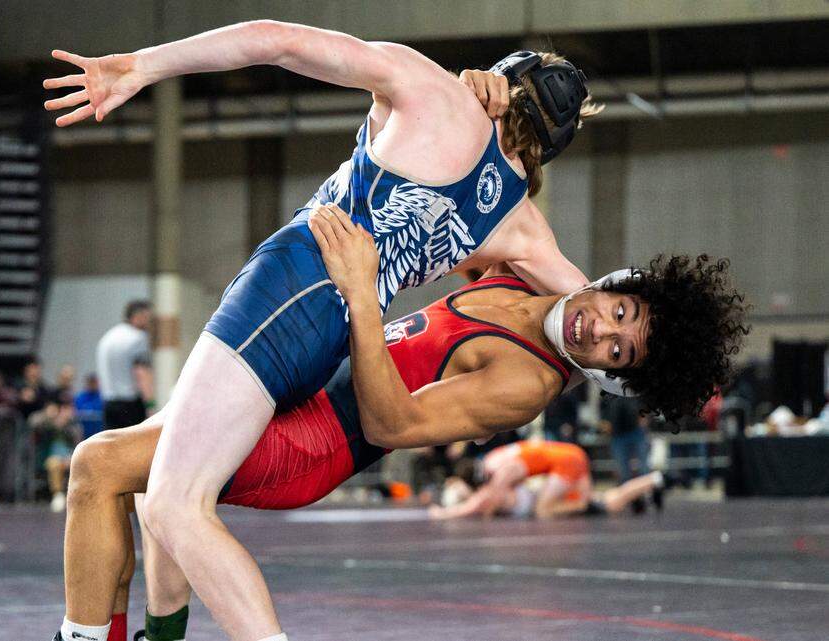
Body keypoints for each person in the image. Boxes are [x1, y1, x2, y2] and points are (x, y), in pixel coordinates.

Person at [46, 24, 599, 640]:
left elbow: (274, 40)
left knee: (177, 504)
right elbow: (600, 316)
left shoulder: (431, 89)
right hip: (330, 340)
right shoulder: (523, 226)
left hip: (289, 289)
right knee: (148, 486)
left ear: (501, 77)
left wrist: (146, 65)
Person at [54, 205, 750, 641]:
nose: (600, 329)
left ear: (614, 373)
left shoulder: (525, 380)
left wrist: (362, 294)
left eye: (617, 350)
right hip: (302, 385)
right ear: (620, 284)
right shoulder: (524, 274)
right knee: (148, 490)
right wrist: (492, 94)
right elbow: (485, 181)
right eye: (621, 312)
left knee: (99, 465)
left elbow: (390, 425)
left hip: (316, 439)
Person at [429, 441, 665, 519]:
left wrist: (445, 513)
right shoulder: (494, 459)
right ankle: (655, 480)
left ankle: (584, 505)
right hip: (568, 456)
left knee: (543, 510)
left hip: (566, 461)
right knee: (608, 501)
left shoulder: (499, 473)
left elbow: (484, 503)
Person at [97, 301, 155, 430]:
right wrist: (151, 405)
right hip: (130, 406)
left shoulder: (108, 337)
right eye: (147, 318)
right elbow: (141, 373)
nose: (149, 322)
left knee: (113, 446)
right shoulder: (138, 337)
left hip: (109, 403)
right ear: (138, 316)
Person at [600, 394, 649, 482]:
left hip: (636, 431)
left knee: (643, 467)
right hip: (617, 434)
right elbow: (602, 407)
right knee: (623, 469)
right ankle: (628, 492)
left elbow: (644, 403)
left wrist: (644, 417)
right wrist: (604, 421)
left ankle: (646, 492)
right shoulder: (607, 390)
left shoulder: (633, 387)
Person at [75, 374, 105, 440]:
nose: (93, 385)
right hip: (84, 433)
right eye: (91, 382)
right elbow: (76, 412)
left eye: (95, 382)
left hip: (99, 433)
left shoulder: (102, 397)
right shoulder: (80, 397)